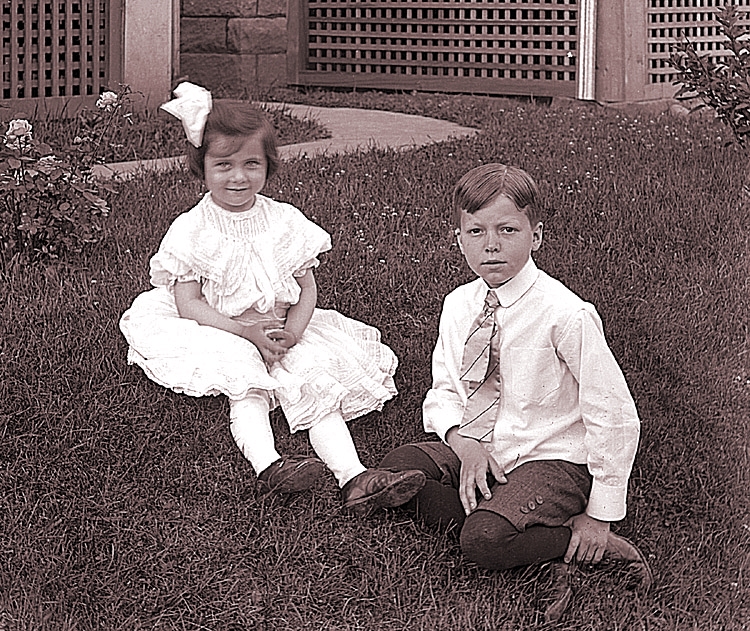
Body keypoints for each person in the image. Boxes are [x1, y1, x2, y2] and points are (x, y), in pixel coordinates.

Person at [119, 82, 425, 515]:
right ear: (201, 168)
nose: (239, 176)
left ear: (268, 166)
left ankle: (354, 477)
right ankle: (271, 466)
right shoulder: (191, 230)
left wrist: (293, 333)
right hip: (221, 326)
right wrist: (245, 332)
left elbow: (306, 287)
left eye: (251, 164)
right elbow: (189, 304)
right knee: (248, 387)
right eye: (223, 165)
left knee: (315, 384)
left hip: (283, 326)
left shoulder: (284, 221)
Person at [380, 163, 652, 621]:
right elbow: (445, 388)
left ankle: (574, 541)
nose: (491, 244)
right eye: (476, 231)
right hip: (483, 442)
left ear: (536, 236)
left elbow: (613, 413)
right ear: (458, 239)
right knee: (398, 470)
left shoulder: (566, 314)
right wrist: (463, 446)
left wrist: (601, 513)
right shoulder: (458, 304)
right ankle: (525, 532)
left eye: (508, 229)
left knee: (482, 540)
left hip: (551, 456)